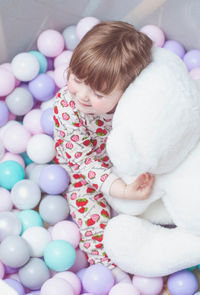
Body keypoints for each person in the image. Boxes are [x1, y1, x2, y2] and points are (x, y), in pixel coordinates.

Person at [53, 21, 154, 281]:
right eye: (76, 78)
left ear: (126, 90)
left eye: (98, 92)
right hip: (84, 172)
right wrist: (119, 188)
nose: (83, 95)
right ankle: (113, 275)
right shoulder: (67, 107)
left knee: (152, 200)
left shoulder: (132, 104)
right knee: (94, 221)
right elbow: (84, 163)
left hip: (123, 160)